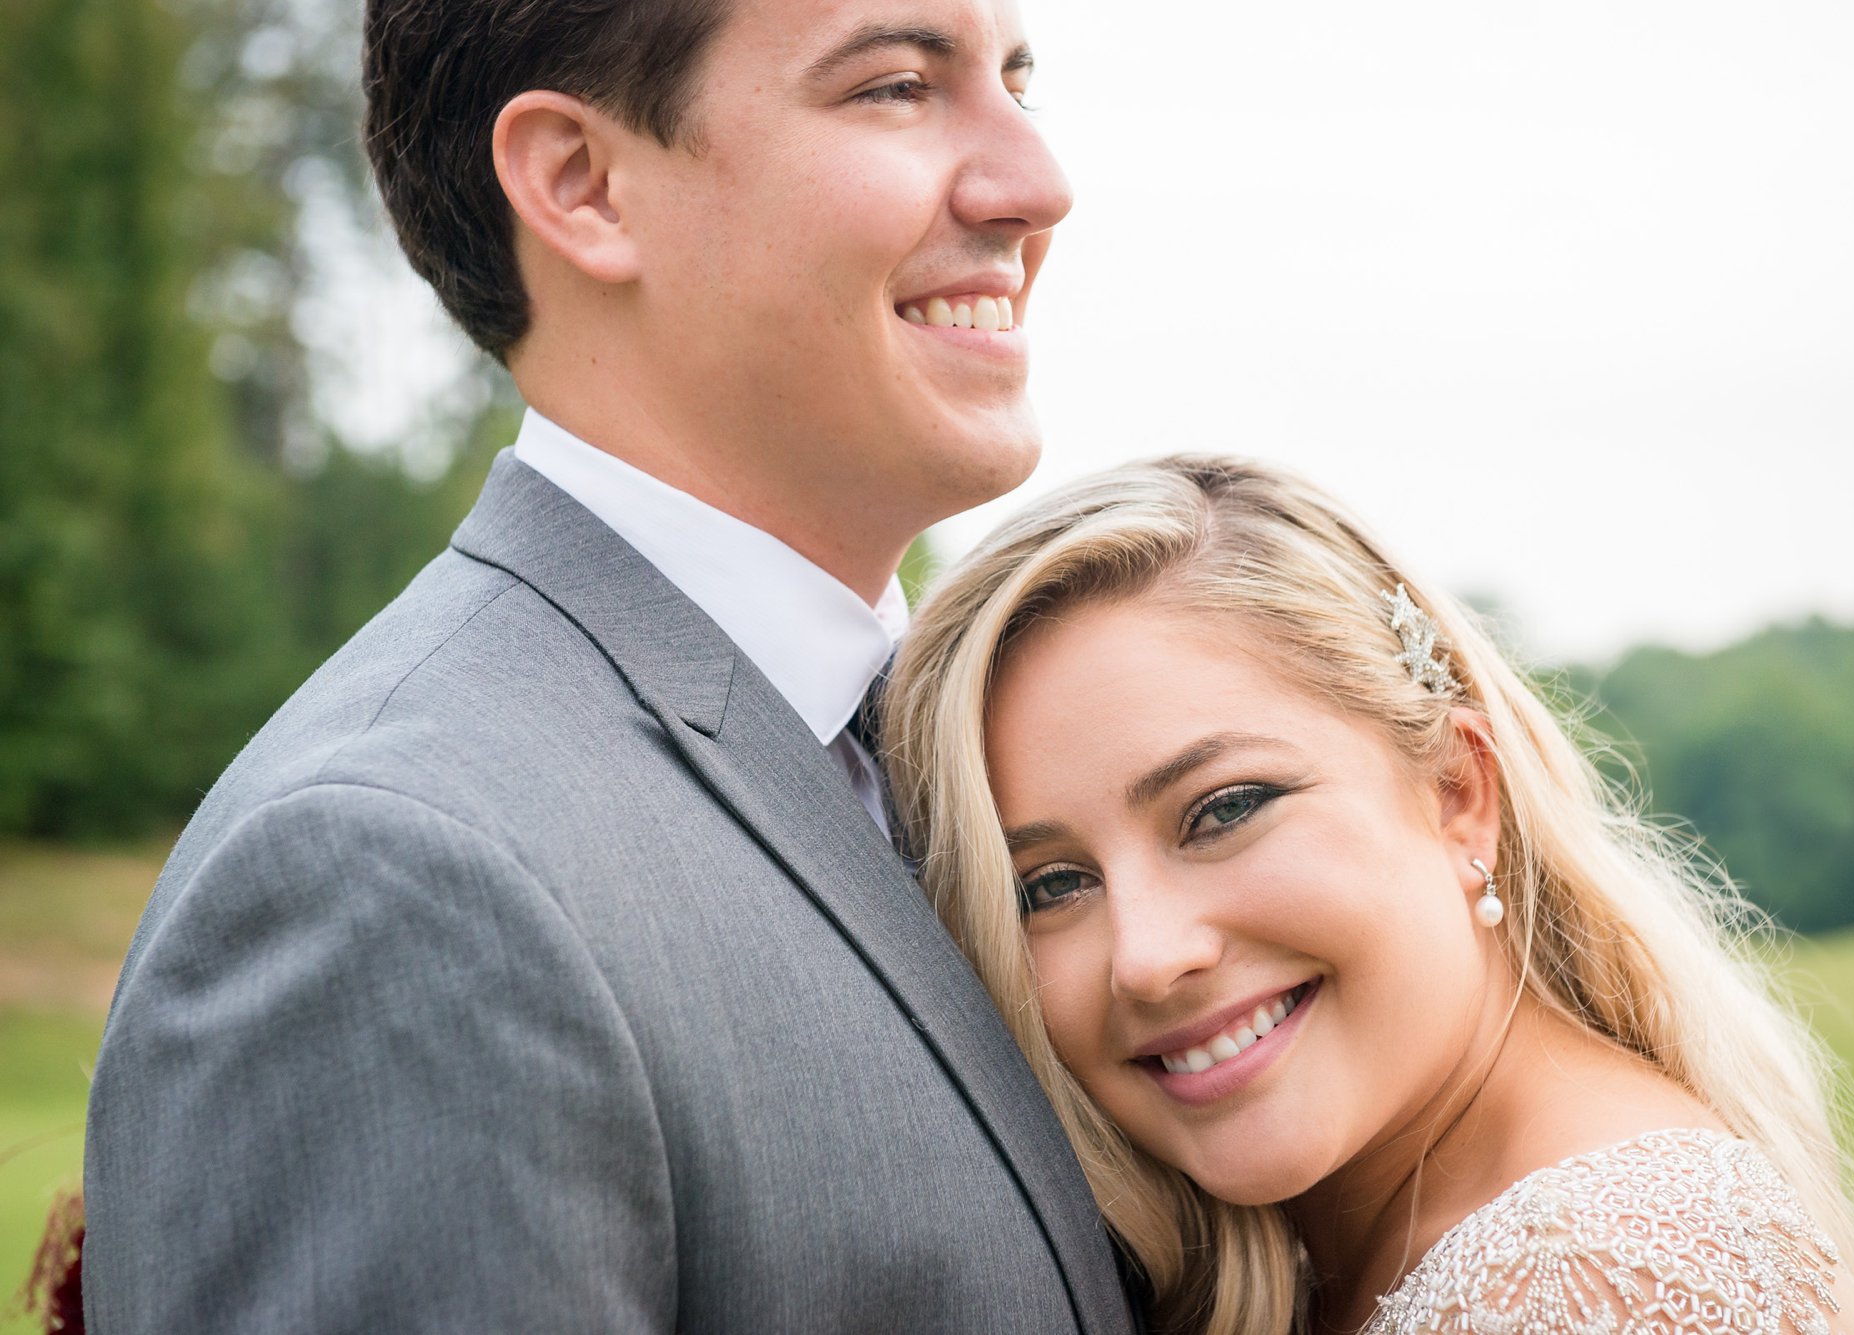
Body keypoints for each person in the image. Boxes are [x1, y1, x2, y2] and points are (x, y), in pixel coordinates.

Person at [80, 0, 1139, 1330]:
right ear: (581, 183)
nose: (1036, 184)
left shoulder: (1000, 759)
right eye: (894, 88)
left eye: (1015, 81)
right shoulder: (398, 883)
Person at [880, 456, 1854, 1334]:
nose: (1147, 955)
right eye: (1050, 885)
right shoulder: (1372, 1246)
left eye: (1222, 810)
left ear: (1458, 792)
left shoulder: (1599, 1287)